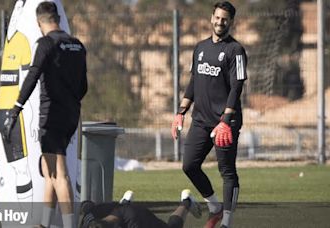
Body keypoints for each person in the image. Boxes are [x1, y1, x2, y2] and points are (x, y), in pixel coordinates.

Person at [2, 2, 87, 228]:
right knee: (50, 171)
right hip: (70, 116)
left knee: (60, 174)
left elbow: (32, 78)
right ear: (58, 18)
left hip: (51, 117)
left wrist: (15, 110)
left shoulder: (46, 44)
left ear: (40, 23)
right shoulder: (77, 45)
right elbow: (83, 87)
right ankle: (44, 224)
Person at [171, 2, 247, 228]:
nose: (220, 22)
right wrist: (180, 112)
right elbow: (194, 82)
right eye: (217, 17)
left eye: (225, 19)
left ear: (230, 22)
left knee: (227, 172)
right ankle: (213, 206)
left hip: (225, 122)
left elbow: (237, 87)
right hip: (201, 121)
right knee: (189, 165)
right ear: (211, 18)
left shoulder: (236, 50)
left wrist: (225, 121)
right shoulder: (200, 47)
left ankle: (226, 222)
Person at [79, 189, 202, 228]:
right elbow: (86, 205)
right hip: (121, 209)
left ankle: (186, 201)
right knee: (122, 209)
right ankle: (126, 201)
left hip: (137, 216)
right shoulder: (89, 218)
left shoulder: (135, 222)